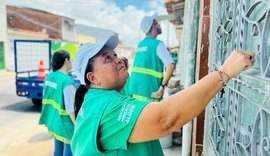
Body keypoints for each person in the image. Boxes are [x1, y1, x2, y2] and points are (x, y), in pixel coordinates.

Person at [71, 34, 255, 155]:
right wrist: (225, 72)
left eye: (114, 54)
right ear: (92, 77)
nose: (118, 59)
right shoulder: (106, 107)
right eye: (108, 58)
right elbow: (165, 119)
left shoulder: (95, 101)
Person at [126, 12, 175, 101]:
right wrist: (162, 87)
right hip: (151, 93)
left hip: (135, 89)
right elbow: (170, 65)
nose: (159, 25)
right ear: (153, 25)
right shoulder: (158, 44)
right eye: (157, 22)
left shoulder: (140, 44)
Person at [39, 50, 76, 156]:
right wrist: (78, 126)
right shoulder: (67, 82)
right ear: (66, 60)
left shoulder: (50, 77)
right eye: (71, 59)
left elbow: (46, 100)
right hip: (65, 125)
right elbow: (71, 109)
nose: (72, 62)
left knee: (57, 150)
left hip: (54, 122)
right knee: (68, 152)